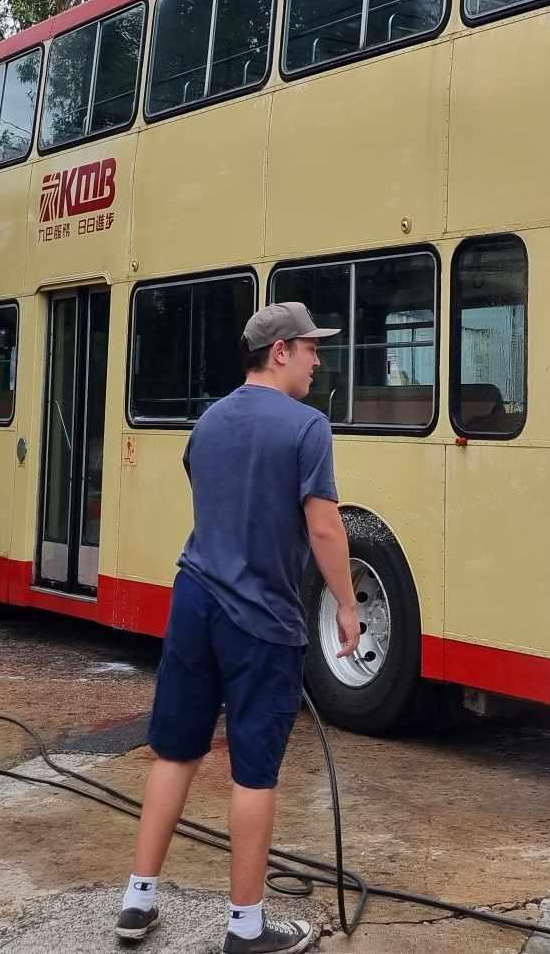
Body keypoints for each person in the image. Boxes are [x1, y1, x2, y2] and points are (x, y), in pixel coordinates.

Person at [115, 303, 361, 951]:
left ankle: (137, 900)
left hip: (195, 601)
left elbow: (205, 488)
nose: (317, 359)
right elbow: (324, 525)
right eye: (310, 348)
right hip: (262, 618)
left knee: (177, 750)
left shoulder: (211, 421)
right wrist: (346, 604)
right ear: (279, 351)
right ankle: (245, 928)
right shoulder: (307, 427)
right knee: (255, 772)